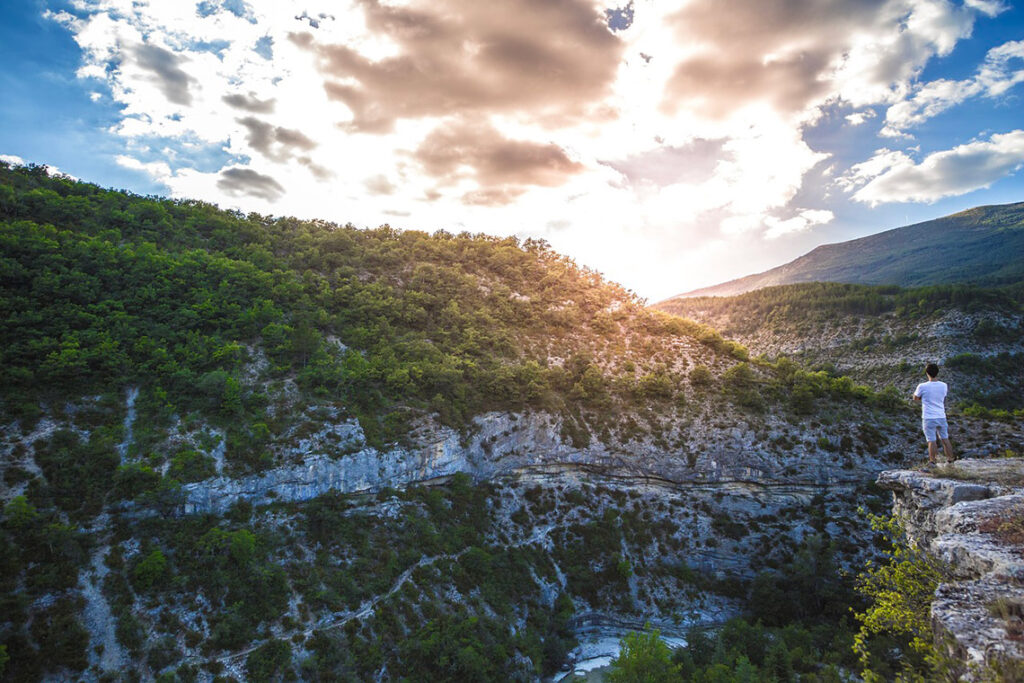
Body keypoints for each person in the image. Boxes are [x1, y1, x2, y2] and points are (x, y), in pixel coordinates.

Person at [913, 362, 954, 466]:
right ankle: (950, 460)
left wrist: (924, 398)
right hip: (941, 416)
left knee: (931, 440)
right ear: (937, 373)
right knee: (945, 438)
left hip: (928, 417)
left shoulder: (922, 386)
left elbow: (915, 398)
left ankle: (933, 462)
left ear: (927, 373)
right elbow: (942, 397)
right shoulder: (944, 385)